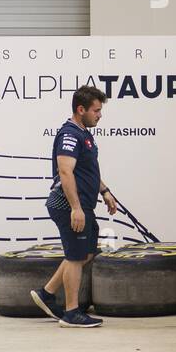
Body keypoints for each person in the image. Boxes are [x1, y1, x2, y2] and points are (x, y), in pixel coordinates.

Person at [30, 85, 116, 328]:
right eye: (96, 110)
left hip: (83, 204)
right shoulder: (69, 134)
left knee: (84, 253)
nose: (100, 115)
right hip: (68, 205)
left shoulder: (84, 133)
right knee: (76, 257)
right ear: (81, 110)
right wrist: (76, 208)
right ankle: (71, 313)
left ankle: (47, 293)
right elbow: (65, 171)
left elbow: (86, 170)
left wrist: (105, 191)